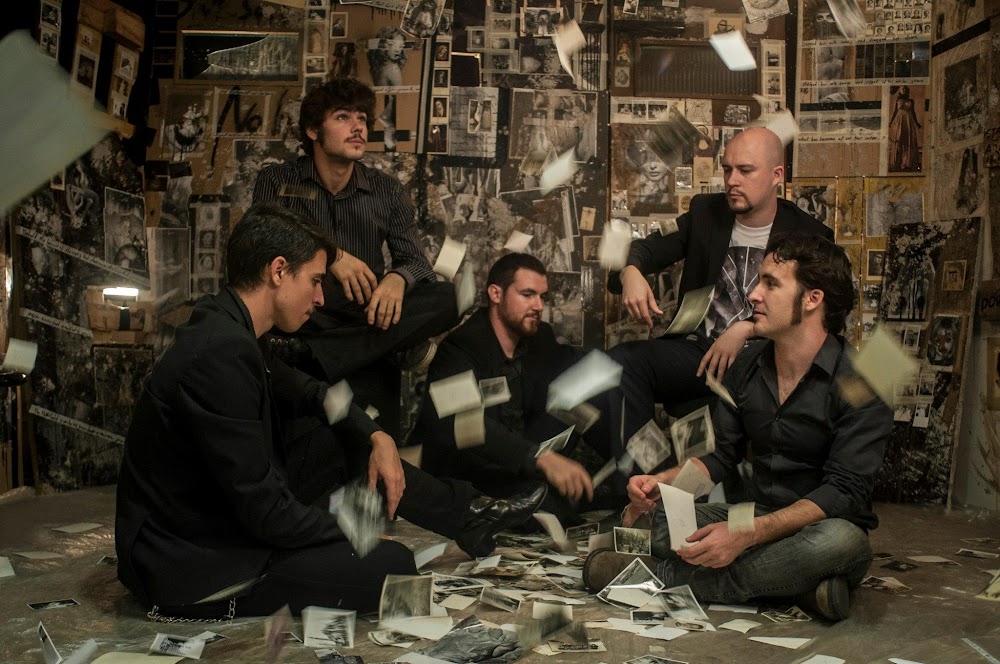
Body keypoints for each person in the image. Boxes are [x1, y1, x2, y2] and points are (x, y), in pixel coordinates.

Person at [114, 203, 546, 619]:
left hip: (224, 518)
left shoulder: (231, 323)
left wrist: (376, 436)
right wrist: (351, 531)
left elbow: (313, 393)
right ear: (278, 271)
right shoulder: (221, 353)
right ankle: (462, 518)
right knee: (394, 566)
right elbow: (266, 514)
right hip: (192, 562)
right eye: (316, 280)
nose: (321, 297)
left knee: (344, 437)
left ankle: (468, 517)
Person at [584, 234, 893, 622]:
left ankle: (662, 578)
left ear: (812, 299)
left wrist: (751, 534)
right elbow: (719, 457)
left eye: (770, 283)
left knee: (838, 543)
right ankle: (803, 589)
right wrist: (662, 485)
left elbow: (844, 491)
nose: (753, 294)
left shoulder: (864, 379)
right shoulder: (747, 366)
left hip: (822, 525)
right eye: (758, 280)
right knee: (660, 522)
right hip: (754, 513)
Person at [601, 128, 833, 475]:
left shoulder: (810, 234)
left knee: (727, 454)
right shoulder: (705, 213)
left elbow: (821, 315)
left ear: (776, 175)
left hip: (767, 359)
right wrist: (631, 271)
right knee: (621, 364)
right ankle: (649, 482)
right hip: (701, 353)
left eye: (745, 170)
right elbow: (647, 247)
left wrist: (748, 329)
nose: (732, 180)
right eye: (727, 169)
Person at [253, 78, 458, 437]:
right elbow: (259, 241)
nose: (358, 126)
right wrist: (331, 254)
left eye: (362, 118)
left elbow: (417, 263)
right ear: (313, 130)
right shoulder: (277, 180)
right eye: (343, 117)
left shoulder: (386, 189)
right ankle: (351, 349)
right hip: (307, 314)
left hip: (365, 315)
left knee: (449, 297)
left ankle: (315, 352)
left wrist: (397, 279)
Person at [417, 254, 614, 525]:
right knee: (547, 510)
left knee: (597, 381)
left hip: (521, 459)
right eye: (527, 295)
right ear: (496, 294)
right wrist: (540, 458)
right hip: (473, 470)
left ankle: (633, 481)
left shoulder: (540, 337)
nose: (538, 306)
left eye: (542, 297)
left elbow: (576, 378)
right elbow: (462, 424)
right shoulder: (460, 348)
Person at [366, 27, 406, 151]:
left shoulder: (377, 66)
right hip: (388, 113)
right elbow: (400, 98)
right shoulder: (393, 68)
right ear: (383, 45)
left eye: (401, 46)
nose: (398, 49)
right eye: (393, 44)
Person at [887, 86, 922, 172]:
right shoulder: (897, 100)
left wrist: (916, 122)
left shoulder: (911, 101)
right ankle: (897, 162)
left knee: (908, 141)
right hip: (899, 121)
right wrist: (890, 122)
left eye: (906, 89)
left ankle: (907, 163)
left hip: (908, 121)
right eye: (903, 89)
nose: (904, 90)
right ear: (900, 91)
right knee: (899, 140)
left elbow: (913, 112)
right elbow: (894, 112)